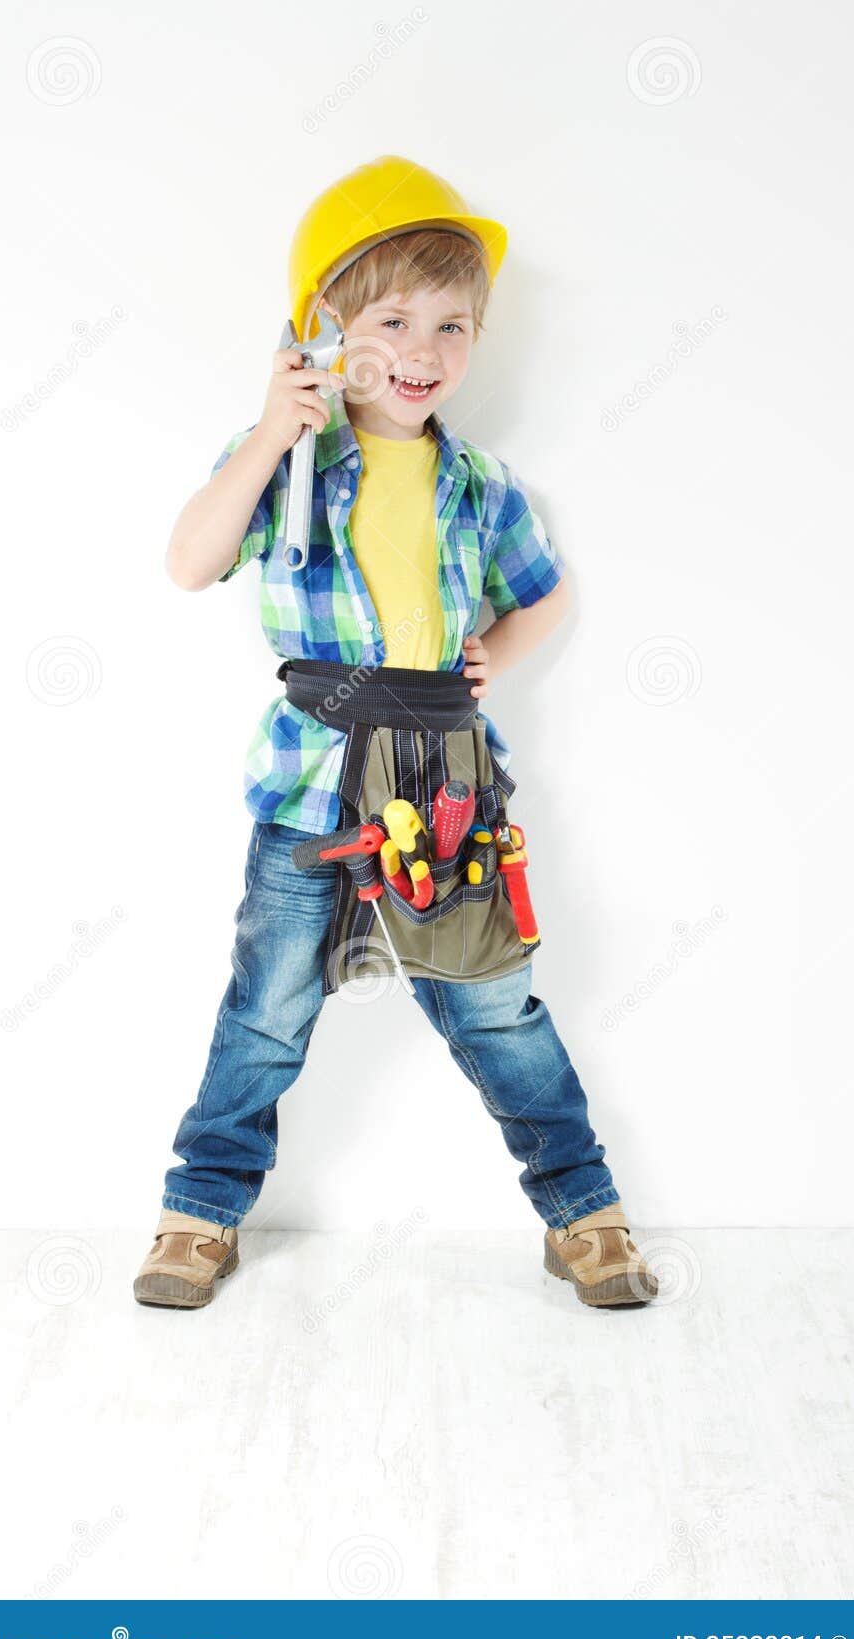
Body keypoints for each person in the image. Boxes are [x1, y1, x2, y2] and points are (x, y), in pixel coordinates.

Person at [133, 156, 657, 1313]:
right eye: (392, 319)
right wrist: (271, 432)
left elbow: (542, 594)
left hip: (447, 782)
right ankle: (198, 1213)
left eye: (453, 323)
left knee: (494, 1003)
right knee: (266, 1007)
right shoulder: (287, 460)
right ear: (324, 327)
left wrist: (491, 658)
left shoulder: (478, 482)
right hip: (312, 785)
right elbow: (189, 561)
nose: (425, 347)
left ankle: (583, 1210)